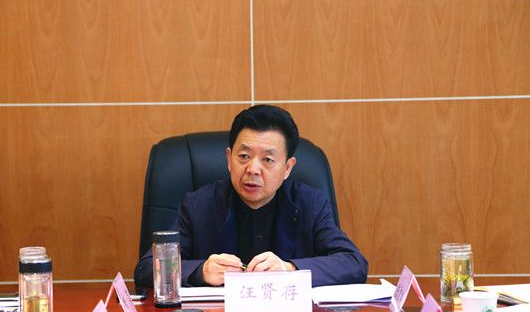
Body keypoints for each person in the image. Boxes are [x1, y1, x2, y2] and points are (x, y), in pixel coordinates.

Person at [135, 105, 368, 287]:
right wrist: (201, 271)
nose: (253, 169)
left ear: (287, 168)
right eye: (244, 156)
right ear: (229, 159)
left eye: (268, 159)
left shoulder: (310, 204)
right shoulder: (198, 205)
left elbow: (354, 263)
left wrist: (289, 269)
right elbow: (146, 269)